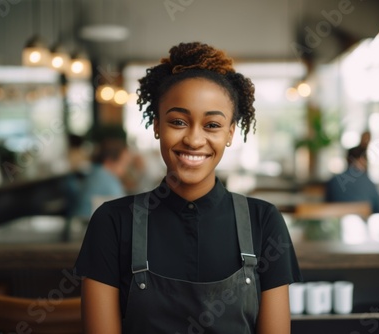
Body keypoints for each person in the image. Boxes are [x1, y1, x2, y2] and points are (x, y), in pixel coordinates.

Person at [75, 42, 302, 334]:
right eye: (178, 121)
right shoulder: (112, 222)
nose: (194, 140)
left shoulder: (264, 222)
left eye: (212, 125)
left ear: (230, 133)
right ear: (157, 125)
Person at [74, 138, 131, 220]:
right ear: (109, 161)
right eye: (124, 163)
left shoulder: (95, 172)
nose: (125, 169)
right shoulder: (109, 182)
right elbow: (125, 215)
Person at [325, 145, 379, 213]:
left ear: (347, 160)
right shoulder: (368, 182)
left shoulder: (334, 181)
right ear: (362, 160)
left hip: (337, 221)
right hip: (363, 221)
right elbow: (378, 208)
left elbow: (327, 205)